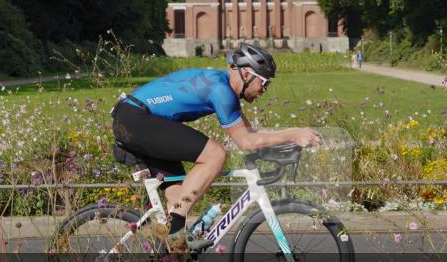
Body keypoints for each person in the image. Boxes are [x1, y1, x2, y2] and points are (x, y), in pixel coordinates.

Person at [111, 43, 322, 250]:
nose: (264, 89)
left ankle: (176, 261)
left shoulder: (221, 85)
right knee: (215, 155)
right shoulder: (221, 90)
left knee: (180, 194)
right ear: (246, 74)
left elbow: (250, 134)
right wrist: (293, 134)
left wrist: (289, 140)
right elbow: (246, 142)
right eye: (264, 82)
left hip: (135, 118)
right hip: (136, 119)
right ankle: (176, 231)